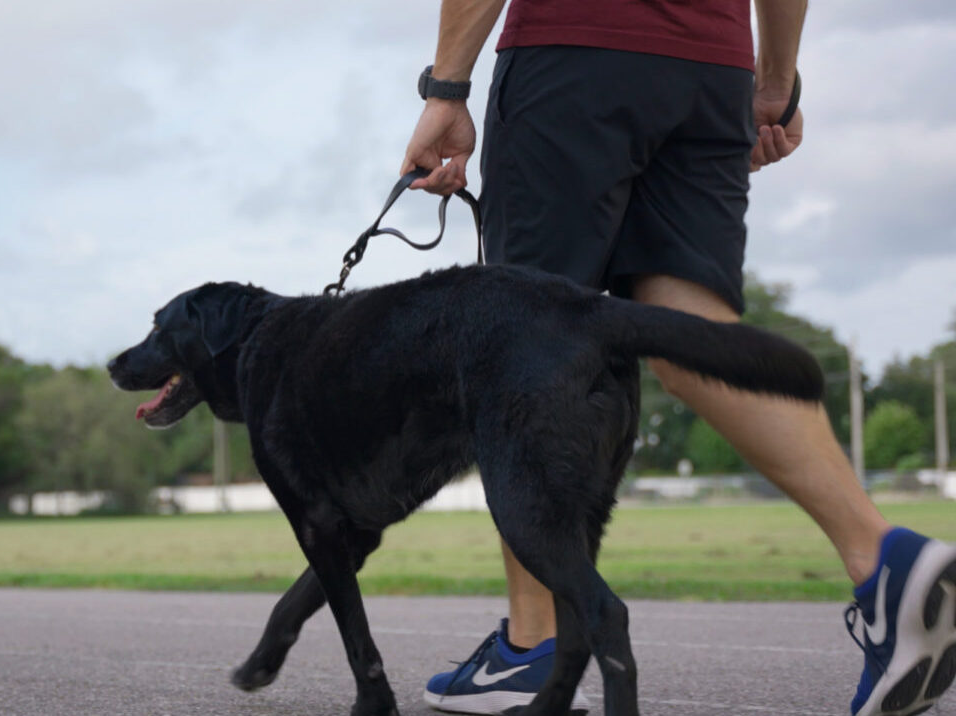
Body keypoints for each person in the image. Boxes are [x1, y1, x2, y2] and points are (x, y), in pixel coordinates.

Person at [399, 2, 956, 716]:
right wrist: (774, 81)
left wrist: (446, 89)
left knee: (529, 342)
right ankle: (882, 560)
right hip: (710, 67)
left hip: (573, 46)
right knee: (690, 323)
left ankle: (534, 649)